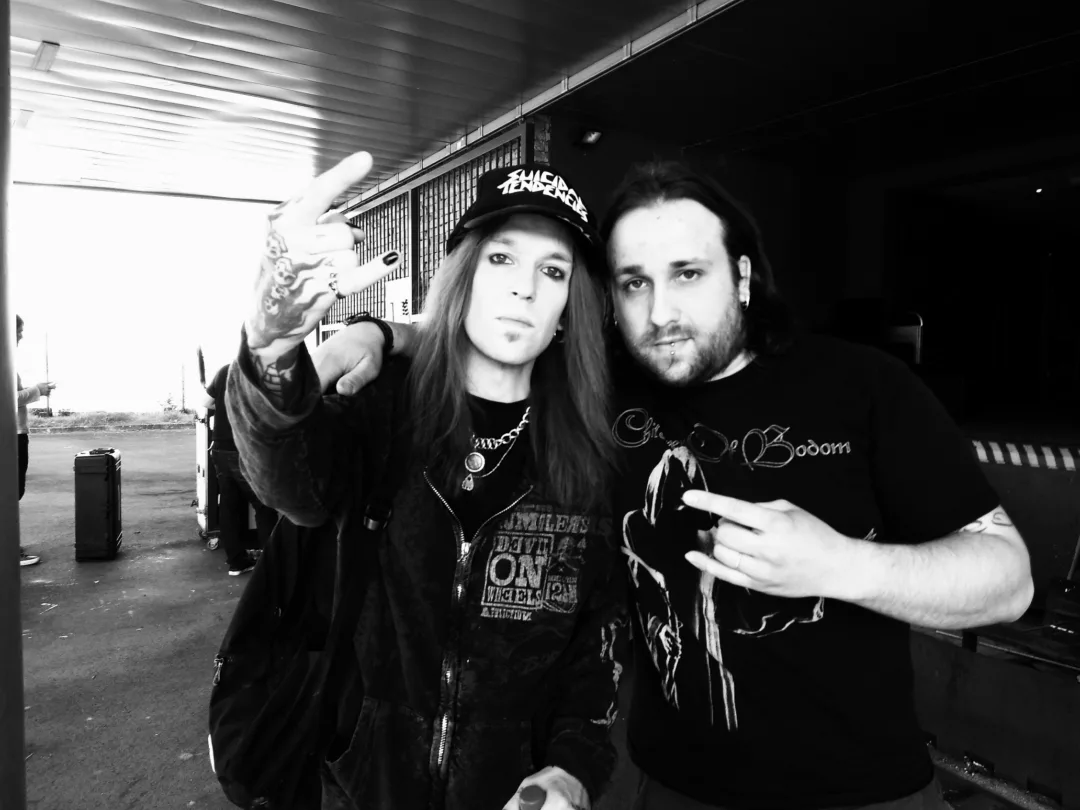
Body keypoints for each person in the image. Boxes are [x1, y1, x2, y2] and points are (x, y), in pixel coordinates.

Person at [317, 160, 1034, 810]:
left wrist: (841, 564)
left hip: (865, 793)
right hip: (670, 788)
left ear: (743, 277)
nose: (660, 313)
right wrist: (377, 333)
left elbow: (1009, 581)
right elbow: (488, 334)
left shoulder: (862, 387)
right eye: (635, 283)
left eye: (688, 273)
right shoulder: (597, 392)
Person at [227, 153, 627, 810]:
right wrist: (270, 346)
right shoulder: (383, 405)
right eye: (501, 258)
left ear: (566, 310)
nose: (524, 289)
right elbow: (286, 485)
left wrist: (571, 769)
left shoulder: (590, 454)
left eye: (552, 271)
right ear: (462, 277)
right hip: (364, 783)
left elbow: (597, 642)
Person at [202, 363, 278, 575]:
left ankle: (236, 562)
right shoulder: (265, 375)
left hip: (220, 450)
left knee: (229, 506)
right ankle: (271, 565)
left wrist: (227, 409)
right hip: (247, 451)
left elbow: (206, 402)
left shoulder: (226, 370)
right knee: (264, 505)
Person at [15, 314, 56, 567]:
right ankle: (8, 551)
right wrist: (36, 391)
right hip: (11, 436)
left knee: (13, 492)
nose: (21, 335)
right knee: (10, 492)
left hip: (17, 433)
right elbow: (7, 397)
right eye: (18, 330)